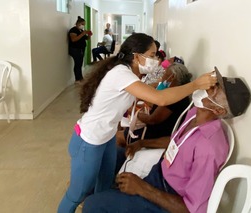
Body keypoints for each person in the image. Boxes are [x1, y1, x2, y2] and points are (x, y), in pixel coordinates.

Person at [57, 33, 217, 213]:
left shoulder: (132, 74)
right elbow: (160, 99)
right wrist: (195, 85)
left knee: (104, 185)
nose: (156, 60)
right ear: (136, 56)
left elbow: (147, 96)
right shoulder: (121, 74)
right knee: (76, 194)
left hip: (107, 138)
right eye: (152, 55)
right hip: (89, 140)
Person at [82, 68, 251, 213]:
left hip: (167, 197)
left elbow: (192, 209)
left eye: (214, 90)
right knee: (112, 156)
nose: (207, 87)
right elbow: (176, 142)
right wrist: (141, 143)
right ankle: (102, 193)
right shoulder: (195, 113)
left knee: (93, 206)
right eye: (213, 84)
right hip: (159, 172)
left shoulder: (209, 148)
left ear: (218, 110)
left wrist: (143, 189)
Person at [115, 63, 192, 172]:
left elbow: (153, 120)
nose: (163, 77)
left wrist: (137, 114)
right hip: (157, 129)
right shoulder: (178, 94)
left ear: (172, 77)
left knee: (117, 137)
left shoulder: (173, 98)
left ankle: (118, 162)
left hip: (155, 134)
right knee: (122, 129)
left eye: (165, 74)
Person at [68, 16, 92, 84]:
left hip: (81, 49)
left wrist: (89, 35)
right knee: (77, 64)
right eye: (82, 24)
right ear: (78, 23)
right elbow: (74, 39)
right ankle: (77, 79)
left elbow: (86, 38)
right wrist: (82, 34)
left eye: (84, 24)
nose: (83, 26)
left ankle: (80, 77)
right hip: (75, 50)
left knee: (80, 63)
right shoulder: (73, 30)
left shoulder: (81, 30)